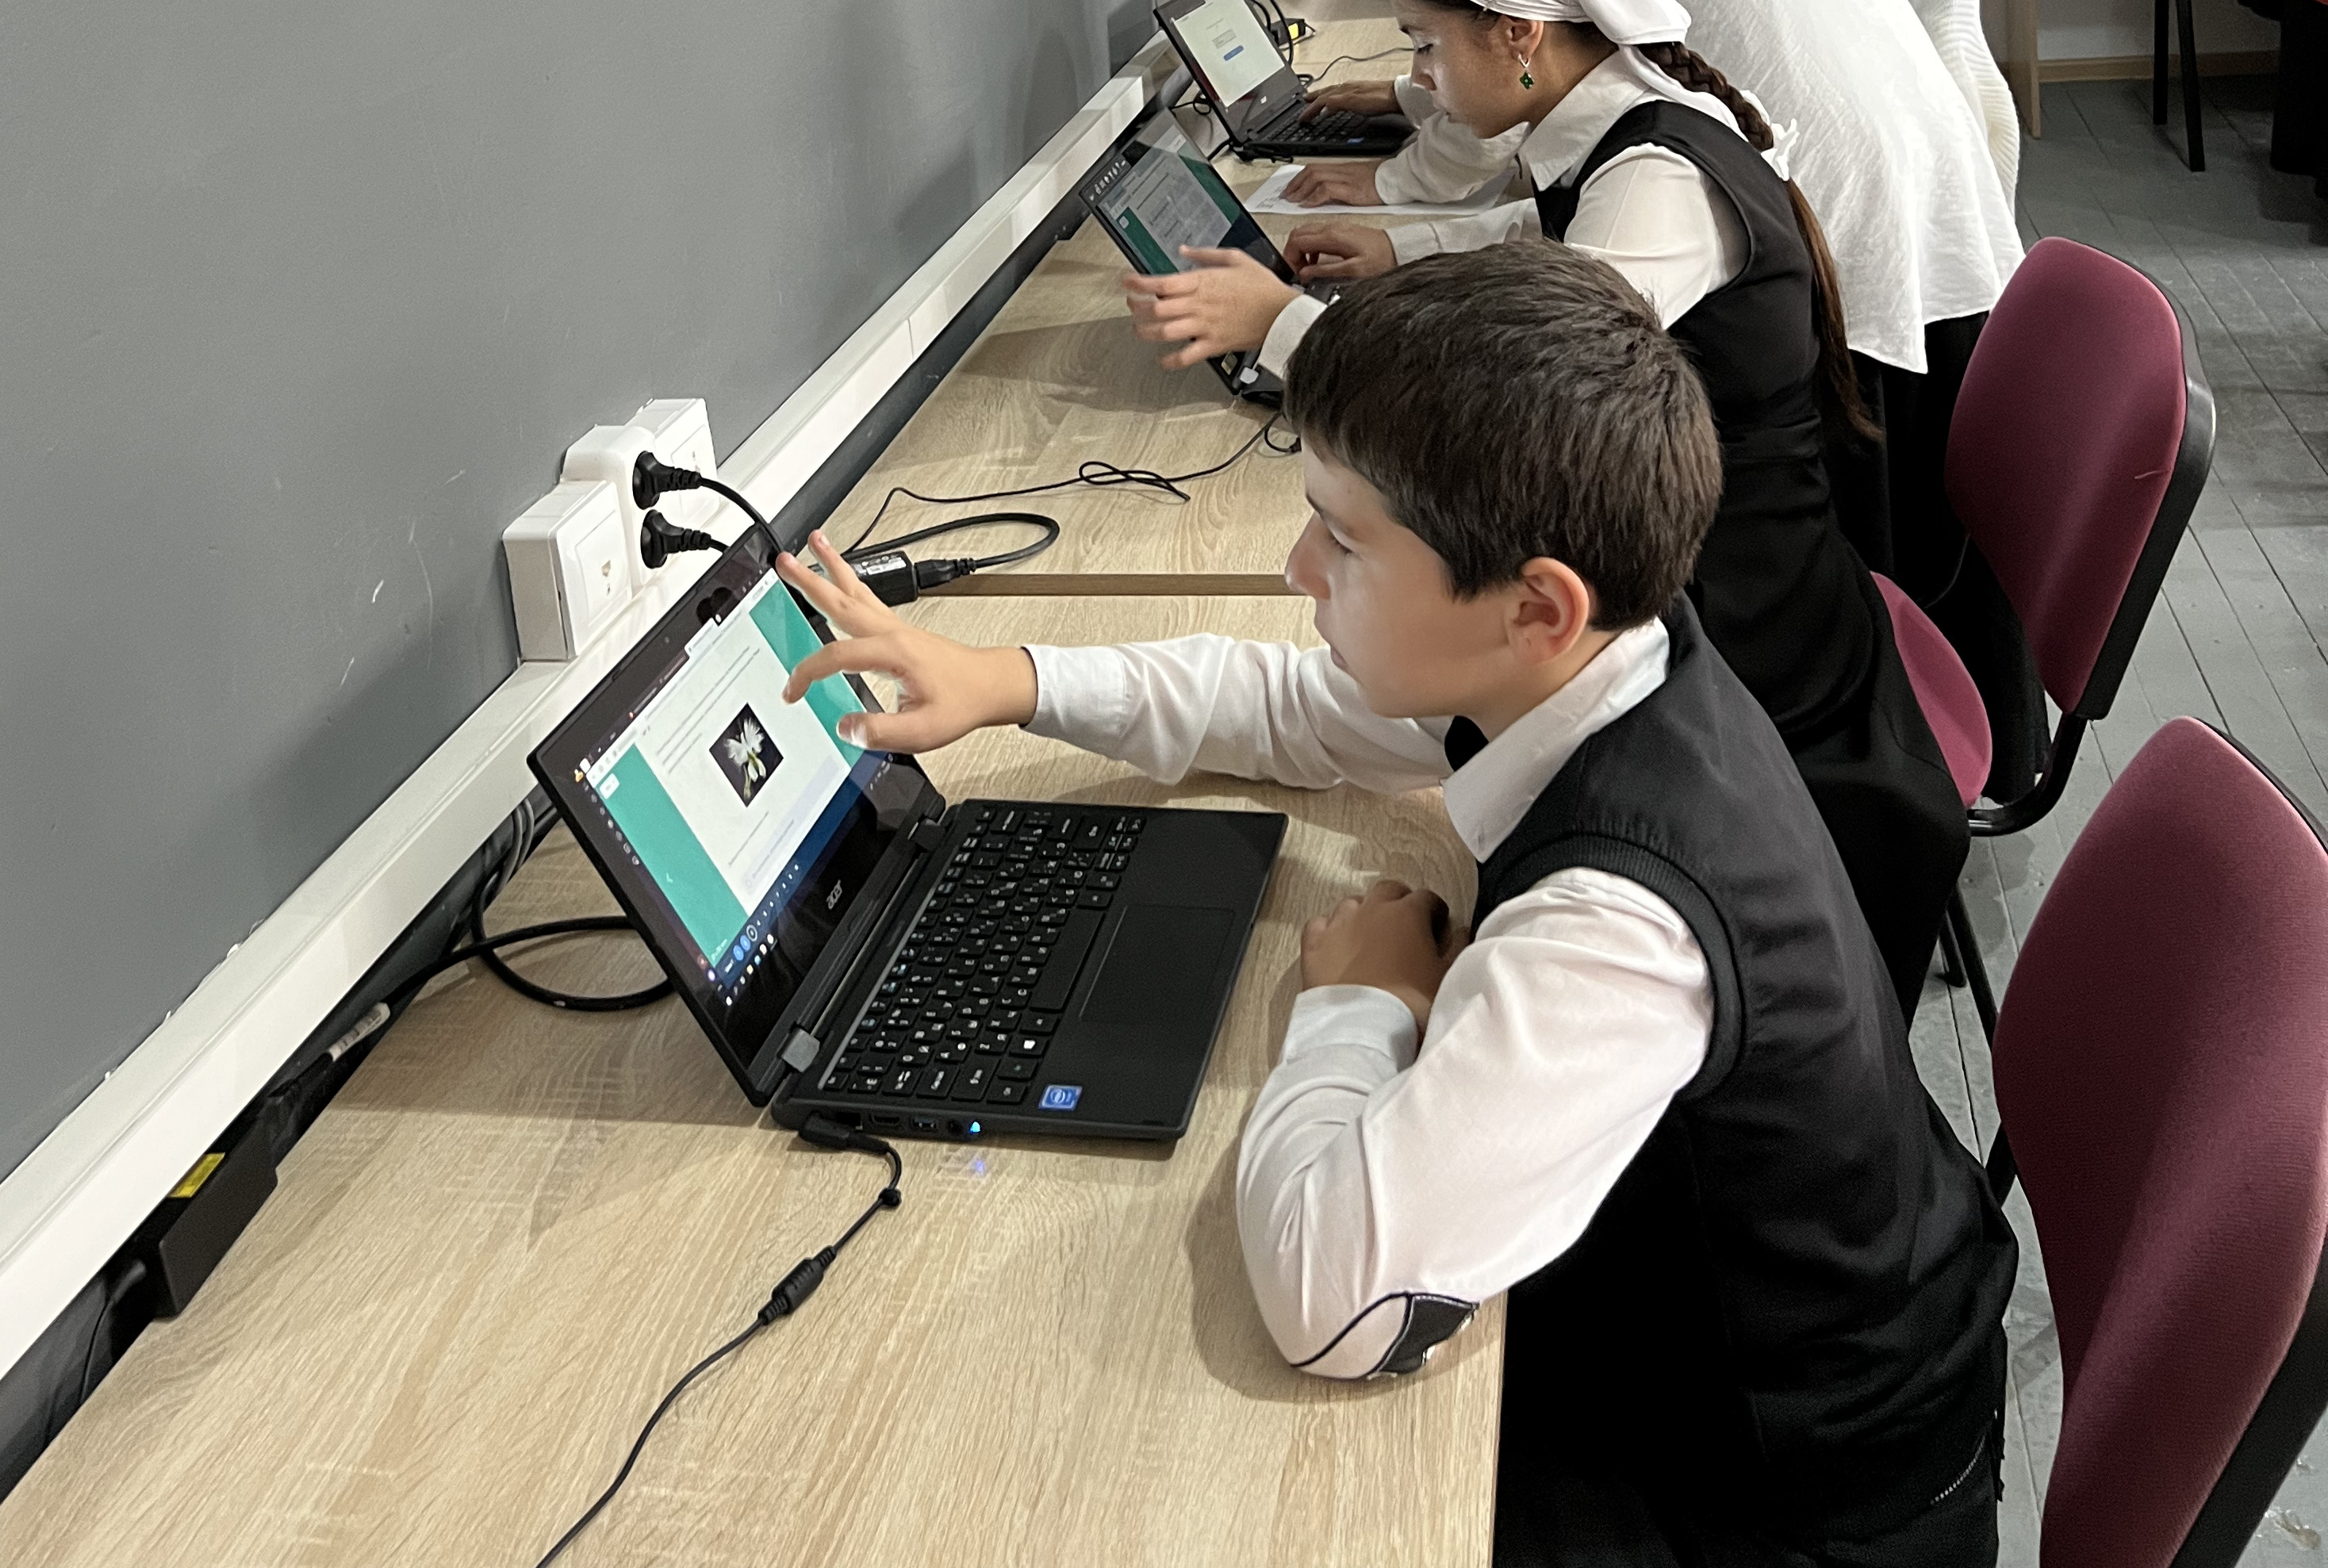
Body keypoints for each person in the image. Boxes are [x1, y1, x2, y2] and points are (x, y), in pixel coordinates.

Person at [774, 249, 2016, 1566]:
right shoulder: (1589, 661)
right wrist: (1012, 680)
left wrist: (1361, 1004)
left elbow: (1331, 1305)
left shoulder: (1620, 926)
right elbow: (1291, 709)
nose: (1299, 566)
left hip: (1789, 1496)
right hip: (1709, 1334)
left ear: (1536, 606)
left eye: (1346, 539)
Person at [1129, 0, 1969, 1014]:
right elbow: (1535, 241)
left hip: (1743, 620)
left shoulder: (1658, 180)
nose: (1421, 82)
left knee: (1381, 667)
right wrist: (1399, 249)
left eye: (1428, 48)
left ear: (1519, 34)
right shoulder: (1628, 121)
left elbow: (1514, 401)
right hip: (1737, 562)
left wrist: (1278, 325)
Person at [1301, 0, 2038, 793]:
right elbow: (1506, 43)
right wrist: (1407, 152)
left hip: (1830, 183)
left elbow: (1498, 24)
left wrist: (1380, 214)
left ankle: (1906, 780)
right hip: (1873, 130)